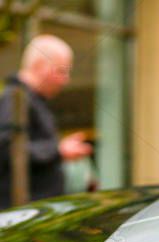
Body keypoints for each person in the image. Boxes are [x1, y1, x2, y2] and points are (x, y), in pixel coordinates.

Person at [0, 35, 92, 209]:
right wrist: (58, 150)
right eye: (61, 71)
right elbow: (8, 151)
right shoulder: (15, 99)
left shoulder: (31, 100)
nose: (65, 80)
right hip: (21, 217)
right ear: (40, 66)